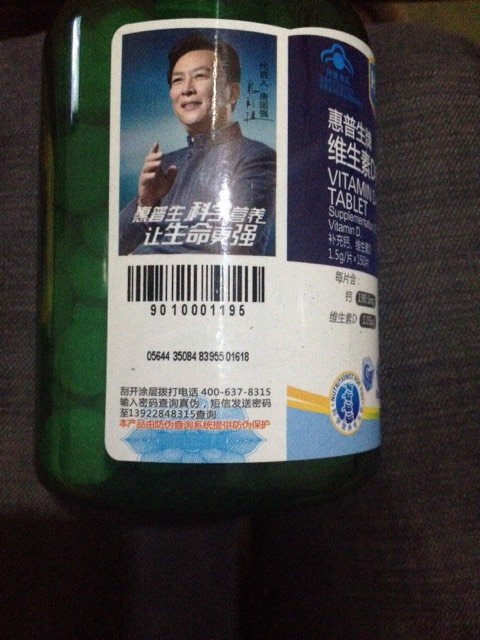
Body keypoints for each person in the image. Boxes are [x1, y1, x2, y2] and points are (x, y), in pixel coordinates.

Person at [119, 33, 276, 255]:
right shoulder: (166, 165)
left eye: (200, 76)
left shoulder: (257, 157)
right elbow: (111, 247)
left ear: (232, 93)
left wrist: (138, 257)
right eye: (177, 80)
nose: (187, 89)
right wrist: (145, 203)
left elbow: (231, 244)